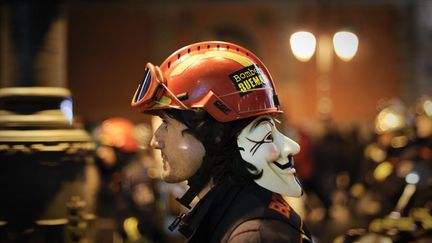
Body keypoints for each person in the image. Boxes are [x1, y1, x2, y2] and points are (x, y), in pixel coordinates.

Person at [130, 41, 313, 242]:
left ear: (215, 135)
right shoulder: (236, 214)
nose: (155, 142)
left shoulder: (253, 236)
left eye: (166, 123)